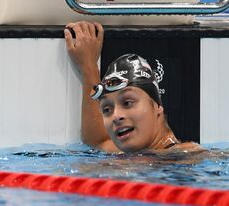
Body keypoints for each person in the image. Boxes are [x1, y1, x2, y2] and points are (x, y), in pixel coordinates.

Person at [64, 21, 201, 154]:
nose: (116, 116)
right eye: (106, 109)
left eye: (127, 103)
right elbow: (97, 141)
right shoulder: (128, 153)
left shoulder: (188, 156)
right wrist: (88, 66)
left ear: (157, 106)